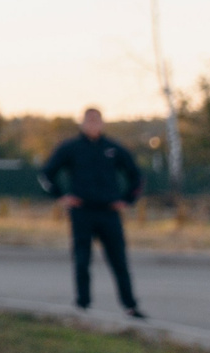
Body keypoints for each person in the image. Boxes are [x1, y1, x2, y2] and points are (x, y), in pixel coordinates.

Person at [39, 107, 145, 318]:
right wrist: (61, 196)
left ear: (102, 123)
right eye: (89, 121)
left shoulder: (113, 148)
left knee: (119, 261)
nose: (93, 124)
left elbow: (136, 176)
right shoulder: (71, 148)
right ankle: (83, 305)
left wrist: (126, 200)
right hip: (82, 212)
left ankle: (130, 306)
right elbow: (46, 174)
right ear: (83, 123)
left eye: (97, 120)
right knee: (82, 260)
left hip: (109, 212)